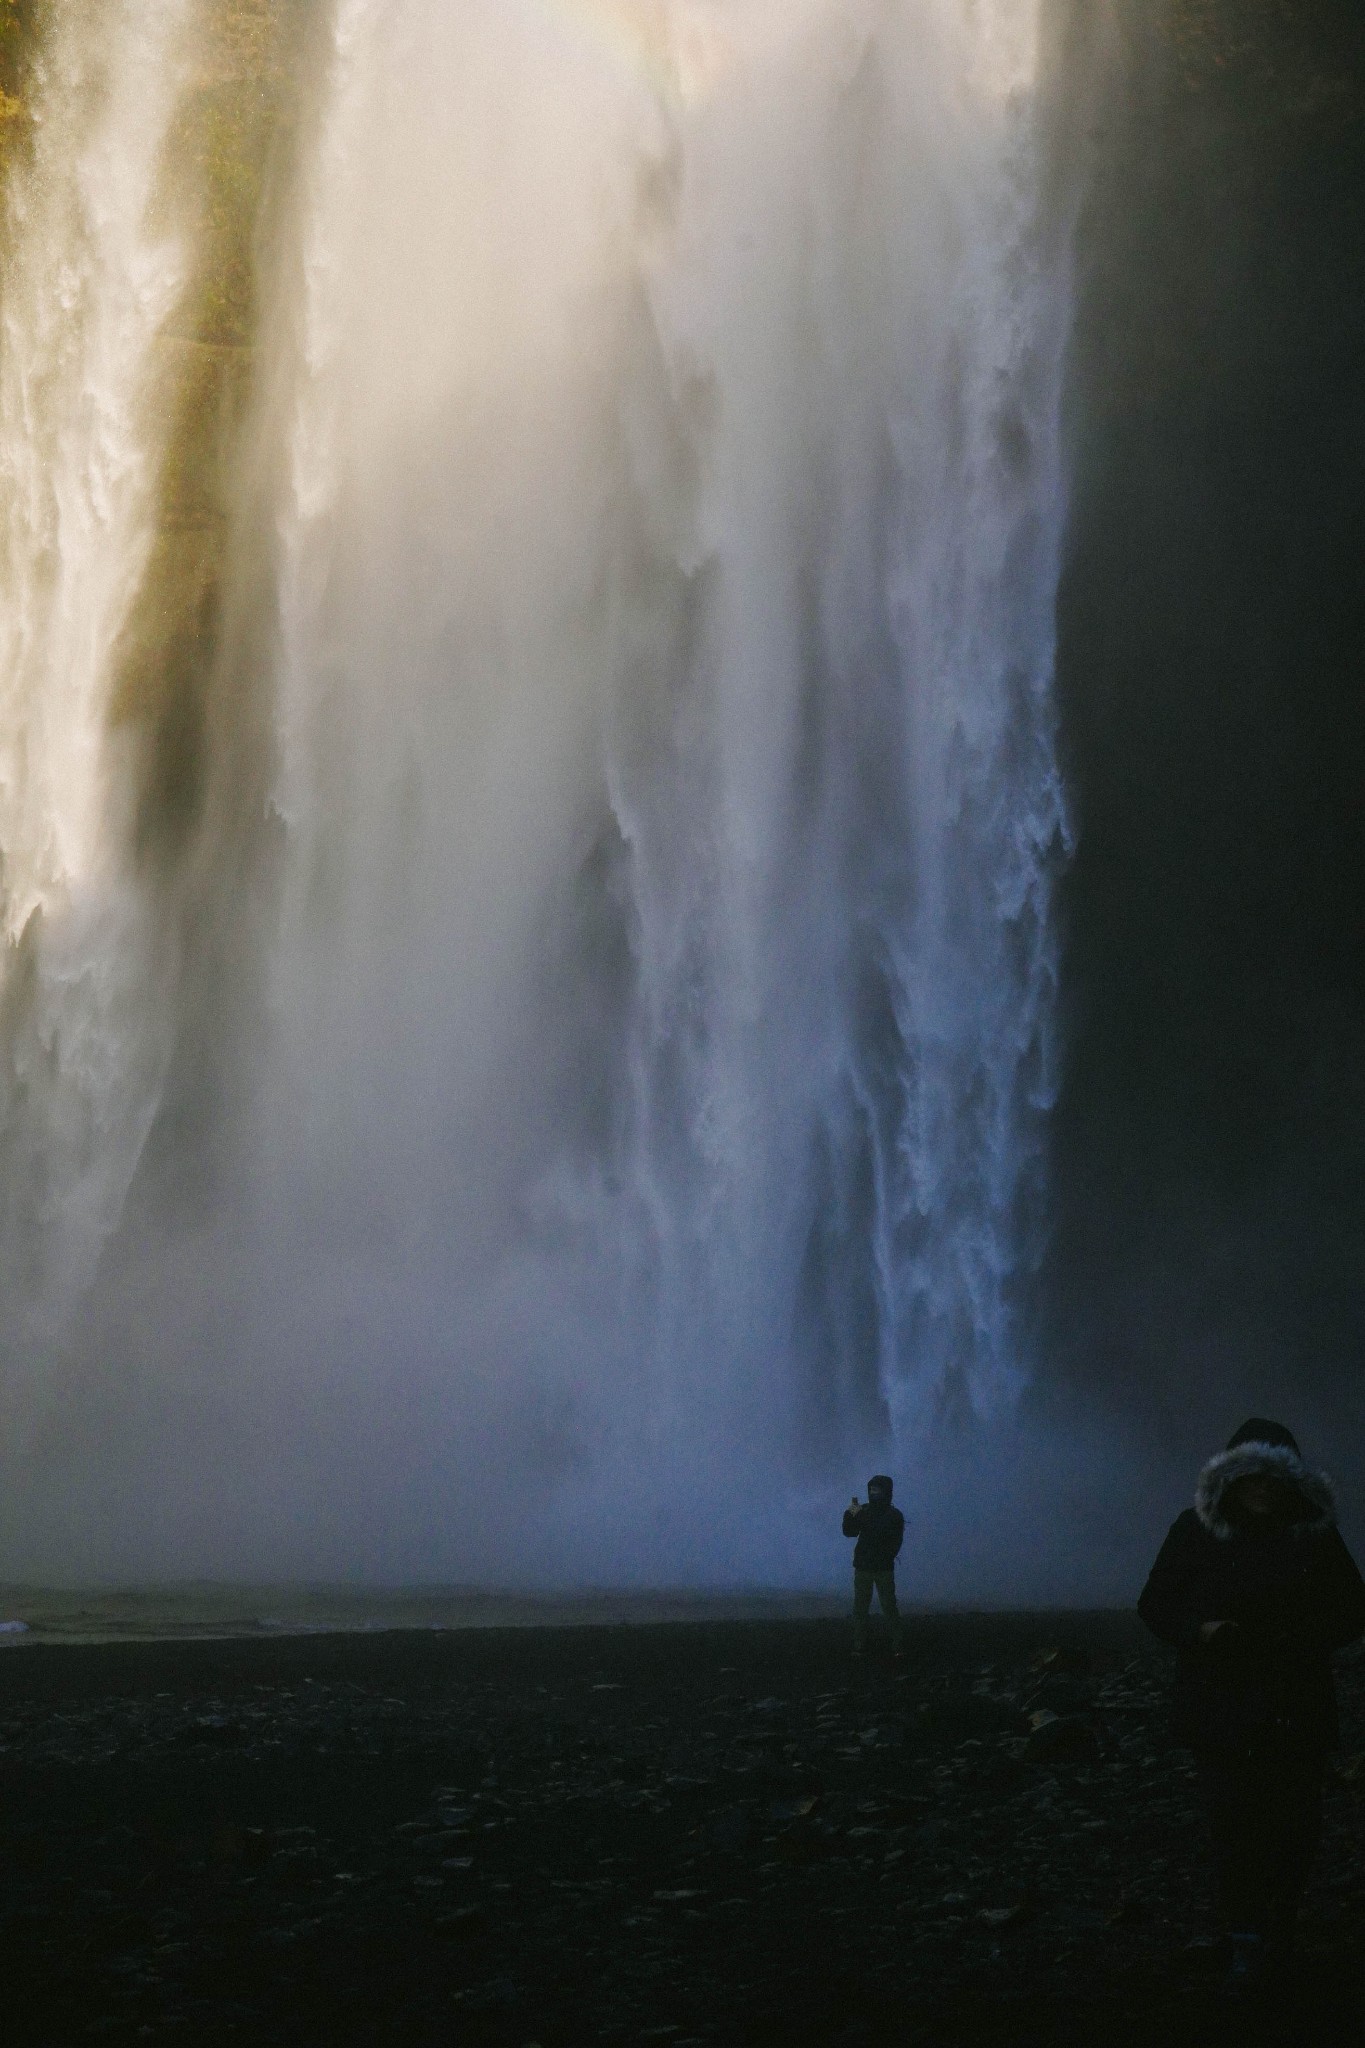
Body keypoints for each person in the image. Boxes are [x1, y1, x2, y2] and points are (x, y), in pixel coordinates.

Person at [1138, 1418, 1365, 1990]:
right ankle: (1246, 1936)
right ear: (1231, 1478)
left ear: (1293, 1481)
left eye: (1274, 1475)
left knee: (1295, 1825)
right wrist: (1201, 1631)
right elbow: (1155, 1603)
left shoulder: (1313, 1532)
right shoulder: (1195, 1529)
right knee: (1232, 1824)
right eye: (1250, 1474)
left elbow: (1353, 1607)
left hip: (1296, 1701)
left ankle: (1279, 1933)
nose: (1262, 1486)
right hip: (1220, 1704)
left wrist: (1301, 1639)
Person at [843, 1474, 904, 1657]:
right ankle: (860, 1643)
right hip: (865, 1567)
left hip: (881, 1568)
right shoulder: (862, 1509)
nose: (873, 1493)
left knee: (888, 1607)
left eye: (877, 1490)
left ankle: (897, 1644)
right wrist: (849, 1515)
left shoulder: (893, 1515)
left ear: (886, 1492)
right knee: (860, 1608)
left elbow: (895, 1542)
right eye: (871, 1490)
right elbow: (849, 1532)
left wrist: (859, 1518)